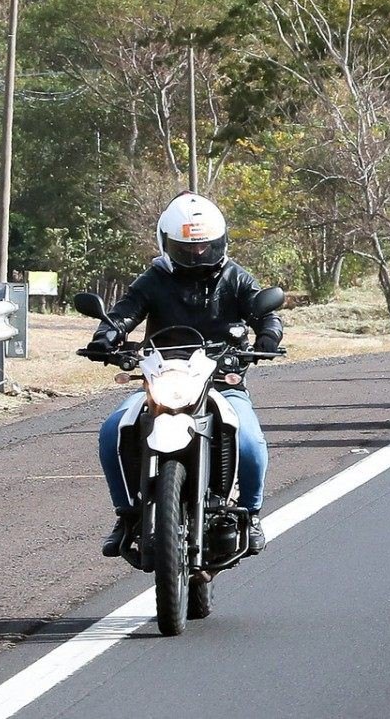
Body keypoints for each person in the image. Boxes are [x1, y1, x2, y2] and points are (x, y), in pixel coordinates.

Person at [92, 194, 281, 558]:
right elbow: (125, 312)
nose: (197, 255)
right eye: (186, 248)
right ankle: (127, 514)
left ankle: (252, 513)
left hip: (221, 380)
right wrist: (107, 337)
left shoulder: (235, 277)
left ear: (221, 242)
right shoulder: (154, 279)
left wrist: (269, 335)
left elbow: (265, 311)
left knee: (250, 443)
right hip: (161, 377)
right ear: (165, 243)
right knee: (111, 431)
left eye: (205, 247)